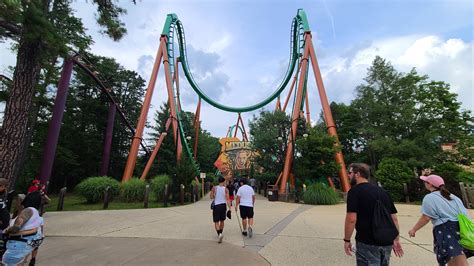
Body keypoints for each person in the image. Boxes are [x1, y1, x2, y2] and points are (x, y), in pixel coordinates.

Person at [343, 163, 403, 265]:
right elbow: (394, 218)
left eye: (350, 173)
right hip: (386, 241)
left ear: (357, 174)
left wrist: (347, 240)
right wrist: (396, 238)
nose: (348, 176)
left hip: (367, 241)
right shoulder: (383, 192)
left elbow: (351, 219)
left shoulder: (355, 192)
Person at [408, 174, 473, 265]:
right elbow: (465, 214)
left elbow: (426, 217)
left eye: (425, 182)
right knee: (453, 260)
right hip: (461, 230)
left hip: (446, 231)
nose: (424, 183)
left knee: (458, 260)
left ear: (430, 184)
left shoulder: (430, 198)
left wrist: (414, 229)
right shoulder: (453, 197)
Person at [2, 191, 44, 266]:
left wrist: (7, 231)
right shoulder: (36, 214)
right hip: (26, 245)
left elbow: (16, 228)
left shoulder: (27, 211)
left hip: (17, 245)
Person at [210, 176, 231, 243]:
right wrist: (229, 208)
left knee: (216, 221)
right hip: (223, 206)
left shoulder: (214, 188)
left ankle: (219, 234)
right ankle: (220, 233)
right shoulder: (226, 189)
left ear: (218, 181)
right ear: (224, 181)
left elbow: (211, 197)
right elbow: (228, 199)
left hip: (216, 206)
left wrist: (213, 193)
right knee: (222, 220)